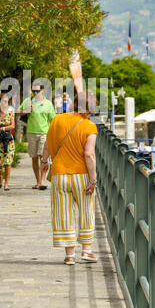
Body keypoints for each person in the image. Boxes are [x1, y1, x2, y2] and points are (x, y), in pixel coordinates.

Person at [41, 92, 98, 265]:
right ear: (89, 111)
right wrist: (93, 180)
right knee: (86, 211)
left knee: (63, 213)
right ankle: (86, 251)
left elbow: (46, 144)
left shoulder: (57, 120)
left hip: (59, 175)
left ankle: (70, 255)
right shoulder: (89, 127)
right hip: (81, 175)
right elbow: (89, 155)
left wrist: (44, 161)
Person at [19, 84, 55, 190]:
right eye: (33, 91)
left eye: (37, 91)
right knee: (34, 158)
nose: (35, 93)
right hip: (31, 133)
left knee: (43, 157)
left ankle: (43, 181)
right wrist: (25, 111)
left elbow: (52, 120)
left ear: (42, 90)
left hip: (44, 133)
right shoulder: (28, 101)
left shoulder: (48, 104)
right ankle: (38, 181)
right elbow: (17, 113)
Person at [0, 94, 15, 191]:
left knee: (8, 162)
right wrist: (2, 128)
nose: (6, 103)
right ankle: (0, 177)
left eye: (7, 101)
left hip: (8, 141)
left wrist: (2, 128)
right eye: (4, 101)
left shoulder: (10, 113)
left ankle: (6, 183)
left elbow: (12, 126)